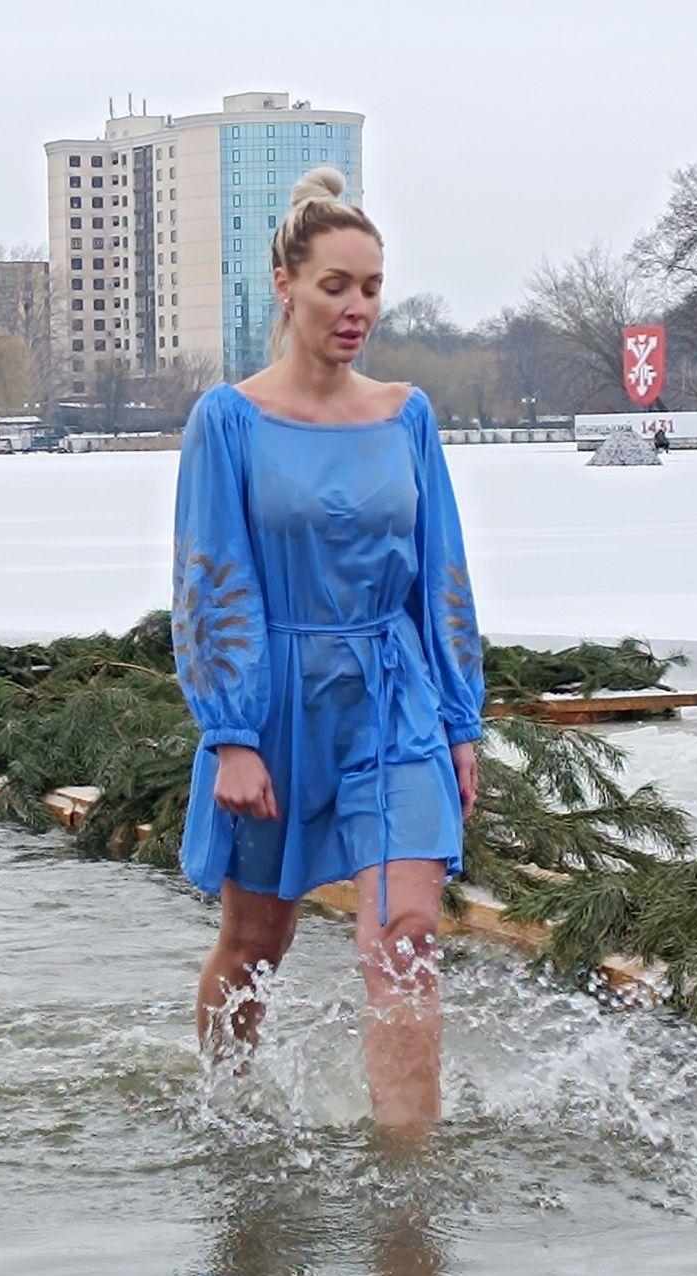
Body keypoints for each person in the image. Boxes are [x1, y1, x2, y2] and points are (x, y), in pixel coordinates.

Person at [172, 166, 485, 1132]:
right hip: (275, 707)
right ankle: (229, 1112)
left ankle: (408, 1191)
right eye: (336, 286)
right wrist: (231, 733)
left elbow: (443, 570)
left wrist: (462, 716)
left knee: (404, 939)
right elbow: (208, 575)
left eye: (372, 288)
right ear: (286, 284)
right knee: (256, 940)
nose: (357, 310)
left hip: (395, 701)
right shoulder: (229, 420)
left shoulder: (407, 415)